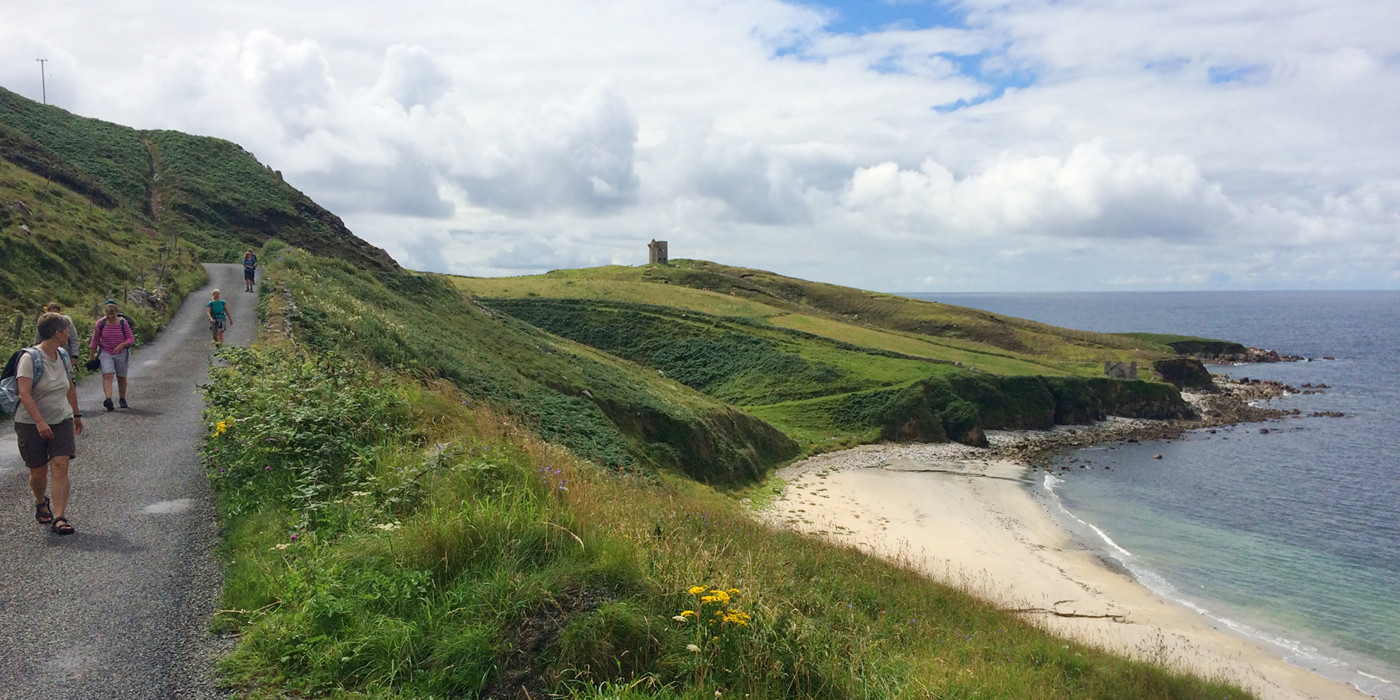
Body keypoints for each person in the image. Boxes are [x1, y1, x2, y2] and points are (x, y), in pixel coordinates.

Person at [16, 312, 83, 535]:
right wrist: (39, 422)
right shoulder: (29, 358)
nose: (68, 334)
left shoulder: (63, 355)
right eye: (66, 331)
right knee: (38, 473)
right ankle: (40, 500)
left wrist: (76, 414)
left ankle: (60, 517)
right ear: (57, 333)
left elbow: (70, 387)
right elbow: (24, 394)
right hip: (31, 423)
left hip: (60, 419)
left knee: (61, 464)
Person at [90, 302, 134, 411]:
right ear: (105, 313)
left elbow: (131, 339)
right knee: (107, 375)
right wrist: (91, 355)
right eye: (108, 314)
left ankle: (122, 398)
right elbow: (95, 339)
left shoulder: (123, 323)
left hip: (122, 353)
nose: (110, 316)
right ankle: (108, 399)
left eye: (112, 314)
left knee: (121, 376)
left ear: (117, 313)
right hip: (106, 352)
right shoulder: (101, 323)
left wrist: (123, 345)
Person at [36, 302, 80, 370]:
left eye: (55, 313)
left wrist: (74, 355)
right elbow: (37, 339)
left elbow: (73, 339)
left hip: (65, 355)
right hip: (46, 356)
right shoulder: (44, 324)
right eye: (51, 313)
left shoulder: (66, 323)